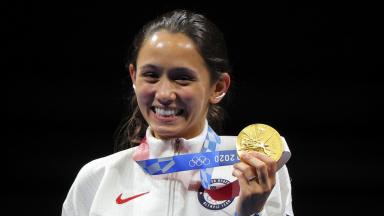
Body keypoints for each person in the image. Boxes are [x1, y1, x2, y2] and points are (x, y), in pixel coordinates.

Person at [62, 9, 293, 216]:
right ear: (134, 76)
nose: (163, 93)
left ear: (218, 87)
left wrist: (249, 214)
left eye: (182, 78)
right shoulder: (96, 179)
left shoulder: (256, 172)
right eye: (151, 75)